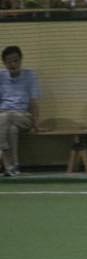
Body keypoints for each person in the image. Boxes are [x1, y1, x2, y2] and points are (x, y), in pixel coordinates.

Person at [0, 46, 40, 177]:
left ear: (21, 60)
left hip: (23, 116)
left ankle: (2, 147)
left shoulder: (30, 76)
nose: (13, 64)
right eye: (9, 62)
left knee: (7, 116)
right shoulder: (0, 76)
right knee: (12, 129)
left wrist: (36, 125)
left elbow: (34, 102)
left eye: (16, 60)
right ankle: (13, 167)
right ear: (4, 63)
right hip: (3, 118)